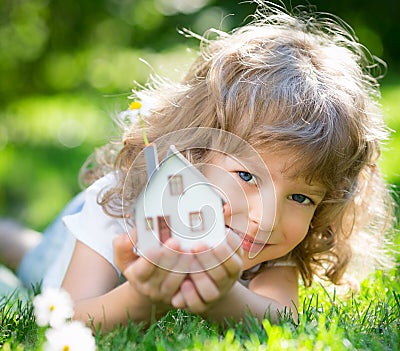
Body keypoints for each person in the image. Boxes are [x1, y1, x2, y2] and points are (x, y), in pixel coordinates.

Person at [6, 2, 395, 331]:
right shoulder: (121, 205)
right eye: (245, 176)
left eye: (300, 197)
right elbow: (72, 319)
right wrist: (141, 298)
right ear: (195, 153)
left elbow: (281, 319)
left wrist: (222, 296)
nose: (266, 218)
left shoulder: (273, 246)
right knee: (32, 261)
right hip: (70, 242)